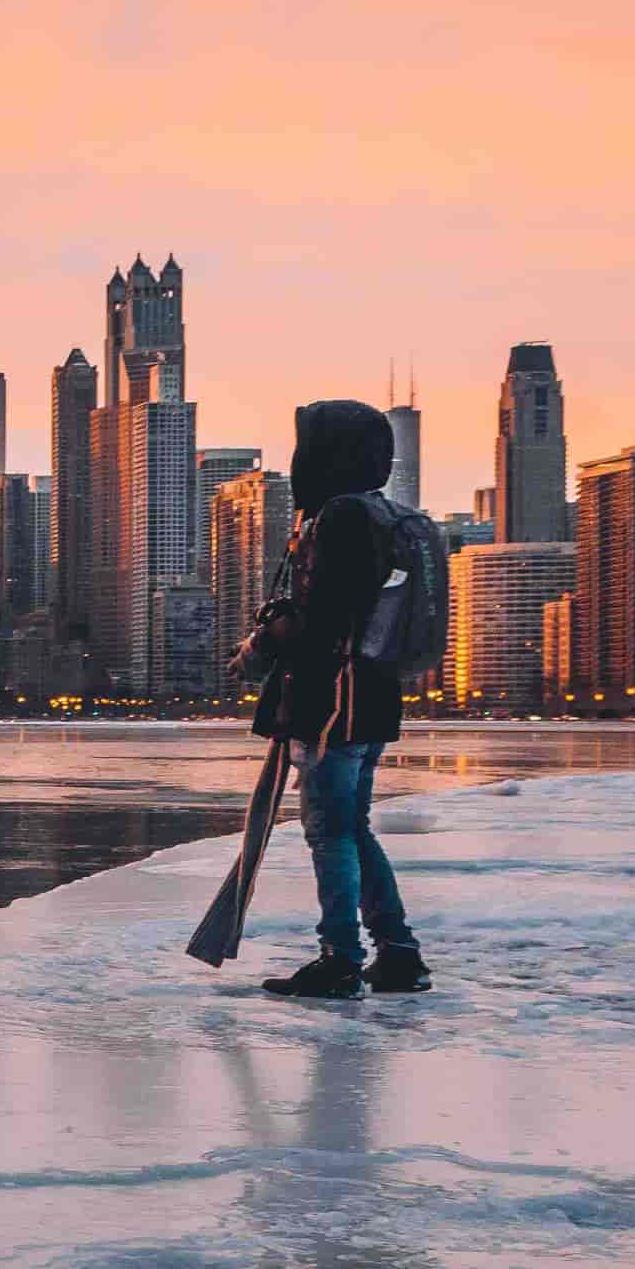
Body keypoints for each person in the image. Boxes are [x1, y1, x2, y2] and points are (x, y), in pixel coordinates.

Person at [240, 399, 429, 1001]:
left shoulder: (342, 517)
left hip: (333, 701)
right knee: (352, 828)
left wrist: (266, 636)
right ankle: (398, 954)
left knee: (330, 833)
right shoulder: (381, 514)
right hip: (372, 696)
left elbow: (325, 618)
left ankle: (341, 959)